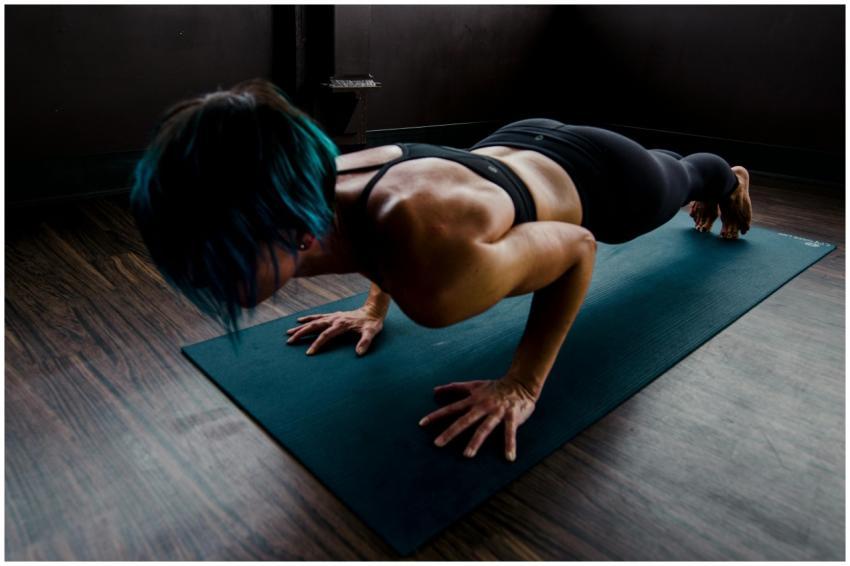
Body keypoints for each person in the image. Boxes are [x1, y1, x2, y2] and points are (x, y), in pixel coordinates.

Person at [131, 78, 752, 463]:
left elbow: (578, 247)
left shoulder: (433, 279)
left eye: (219, 262)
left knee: (689, 174)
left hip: (610, 183)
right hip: (515, 143)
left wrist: (522, 384)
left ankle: (733, 178)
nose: (203, 280)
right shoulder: (324, 189)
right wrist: (374, 306)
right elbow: (380, 229)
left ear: (295, 232)